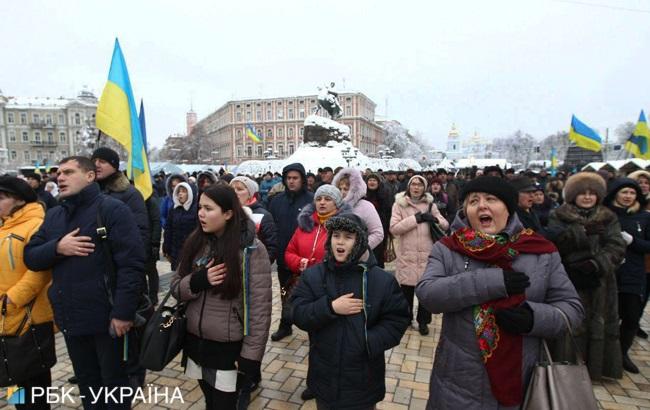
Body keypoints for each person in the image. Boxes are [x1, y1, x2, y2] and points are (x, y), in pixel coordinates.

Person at [416, 176, 584, 408]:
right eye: (474, 201)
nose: (482, 205)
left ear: (508, 207)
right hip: (458, 381)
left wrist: (534, 318)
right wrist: (492, 281)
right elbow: (429, 294)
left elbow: (571, 310)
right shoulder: (448, 248)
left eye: (491, 199)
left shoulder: (540, 251)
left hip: (523, 381)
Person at [25, 157, 144, 409]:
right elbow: (31, 257)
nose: (60, 177)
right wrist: (58, 247)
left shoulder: (112, 210)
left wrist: (123, 313)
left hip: (108, 320)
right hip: (71, 318)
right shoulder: (55, 214)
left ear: (90, 176)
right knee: (88, 385)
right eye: (58, 173)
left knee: (114, 387)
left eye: (68, 172)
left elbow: (131, 266)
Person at [291, 214, 410, 410]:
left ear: (359, 241)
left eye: (348, 237)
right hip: (325, 376)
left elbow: (397, 320)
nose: (340, 241)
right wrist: (330, 308)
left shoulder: (381, 280)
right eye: (336, 235)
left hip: (363, 379)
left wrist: (367, 341)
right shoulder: (314, 275)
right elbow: (297, 312)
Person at [171, 184, 271, 410]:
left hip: (229, 350)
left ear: (228, 213)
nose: (201, 214)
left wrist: (251, 356)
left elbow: (260, 310)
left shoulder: (251, 251)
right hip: (196, 343)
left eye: (208, 208)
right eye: (199, 208)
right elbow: (176, 288)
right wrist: (198, 281)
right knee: (209, 401)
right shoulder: (196, 243)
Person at [546, 172, 626, 380]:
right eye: (583, 193)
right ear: (573, 195)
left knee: (599, 321)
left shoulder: (608, 216)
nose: (588, 197)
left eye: (592, 193)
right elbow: (555, 242)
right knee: (573, 322)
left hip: (601, 281)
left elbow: (616, 246)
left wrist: (598, 263)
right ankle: (568, 367)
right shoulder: (559, 215)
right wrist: (580, 232)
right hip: (571, 277)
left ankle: (598, 368)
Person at [91, 147, 151, 388]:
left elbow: (141, 233)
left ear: (115, 165)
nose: (97, 164)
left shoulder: (128, 193)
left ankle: (135, 372)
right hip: (97, 274)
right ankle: (104, 367)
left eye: (103, 161)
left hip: (122, 270)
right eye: (94, 160)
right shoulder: (90, 194)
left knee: (129, 323)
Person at [0, 177, 55, 409]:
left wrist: (13, 298)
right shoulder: (4, 225)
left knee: (33, 384)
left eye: (2, 198)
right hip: (6, 317)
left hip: (29, 317)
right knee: (15, 377)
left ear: (20, 200)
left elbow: (41, 269)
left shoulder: (37, 224)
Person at [390, 175, 449, 335]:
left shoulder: (430, 204)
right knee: (406, 292)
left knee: (425, 292)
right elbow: (394, 228)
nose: (416, 187)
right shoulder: (399, 204)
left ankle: (423, 322)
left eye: (420, 185)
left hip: (427, 255)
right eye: (413, 184)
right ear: (409, 187)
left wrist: (435, 219)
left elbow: (445, 224)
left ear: (424, 188)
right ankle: (406, 319)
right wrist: (415, 219)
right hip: (407, 255)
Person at [603, 178, 650, 373]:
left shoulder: (644, 217)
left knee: (631, 316)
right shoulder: (605, 215)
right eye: (624, 192)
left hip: (633, 273)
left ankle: (622, 353)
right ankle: (605, 353)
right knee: (607, 316)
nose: (628, 196)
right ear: (615, 194)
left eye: (632, 193)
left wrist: (633, 242)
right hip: (609, 273)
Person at [268, 163, 314, 342]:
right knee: (285, 292)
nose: (291, 181)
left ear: (302, 179)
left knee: (309, 293)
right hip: (283, 258)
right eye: (288, 178)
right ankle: (285, 324)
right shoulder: (277, 201)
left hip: (306, 259)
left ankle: (312, 327)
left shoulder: (312, 200)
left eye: (295, 178)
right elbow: (271, 228)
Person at [332, 168, 384, 250]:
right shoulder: (333, 206)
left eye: (346, 189)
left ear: (355, 189)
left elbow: (378, 233)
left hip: (357, 259)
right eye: (339, 188)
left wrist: (359, 250)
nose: (342, 192)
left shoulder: (366, 206)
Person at [230, 176, 278, 264]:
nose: (235, 192)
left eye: (240, 189)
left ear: (250, 194)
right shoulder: (228, 213)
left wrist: (260, 266)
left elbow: (271, 246)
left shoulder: (263, 215)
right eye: (232, 190)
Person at [628, 169, 650, 338]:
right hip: (633, 262)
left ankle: (636, 323)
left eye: (646, 182)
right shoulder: (628, 206)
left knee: (644, 295)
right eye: (640, 182)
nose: (643, 185)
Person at [163, 182, 198, 270]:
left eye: (184, 191)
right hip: (175, 252)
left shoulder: (196, 209)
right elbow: (168, 229)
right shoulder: (174, 209)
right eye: (178, 191)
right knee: (176, 276)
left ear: (189, 193)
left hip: (192, 252)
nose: (180, 194)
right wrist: (166, 248)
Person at [364, 172, 393, 268]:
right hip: (365, 228)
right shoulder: (363, 195)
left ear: (378, 182)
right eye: (370, 180)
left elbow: (388, 211)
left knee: (379, 252)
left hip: (381, 227)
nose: (372, 182)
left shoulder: (384, 195)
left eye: (374, 180)